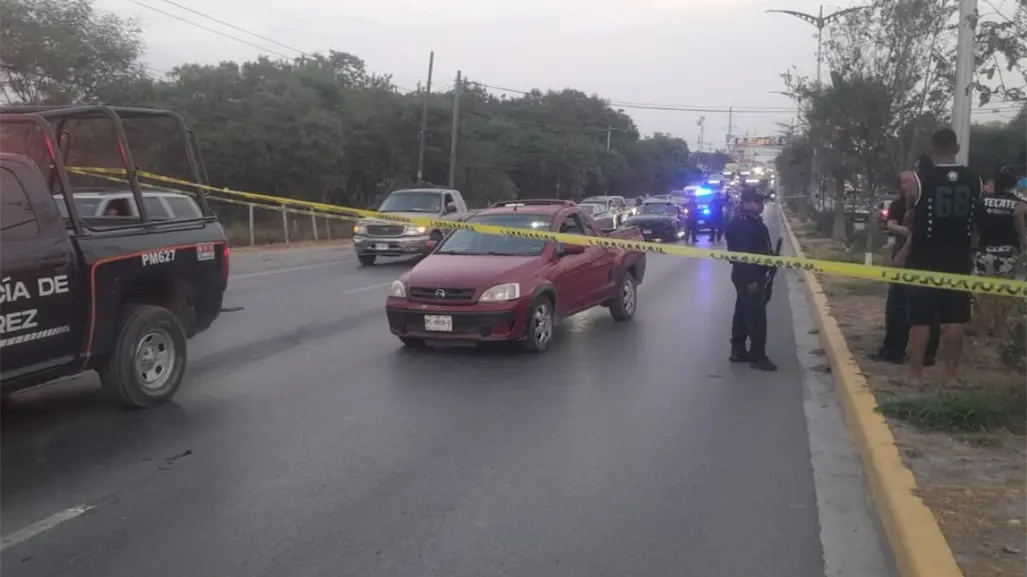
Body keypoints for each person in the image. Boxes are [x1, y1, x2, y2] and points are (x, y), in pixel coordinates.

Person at [901, 128, 982, 387]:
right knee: (955, 318)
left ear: (932, 149)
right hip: (958, 256)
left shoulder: (919, 179)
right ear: (956, 148)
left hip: (925, 255)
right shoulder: (974, 179)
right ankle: (951, 376)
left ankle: (915, 376)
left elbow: (911, 209)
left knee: (920, 319)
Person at [874, 169, 940, 365]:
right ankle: (893, 350)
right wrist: (907, 231)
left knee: (929, 310)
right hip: (901, 260)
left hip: (925, 262)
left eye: (910, 182)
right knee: (896, 308)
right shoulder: (898, 204)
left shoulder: (928, 204)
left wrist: (909, 234)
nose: (906, 186)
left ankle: (928, 355)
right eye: (903, 182)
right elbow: (891, 225)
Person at [725, 187, 777, 371]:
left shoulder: (751, 221)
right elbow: (742, 256)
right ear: (746, 203)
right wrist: (751, 281)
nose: (760, 205)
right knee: (756, 317)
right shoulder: (742, 224)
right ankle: (758, 356)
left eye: (761, 201)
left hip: (752, 274)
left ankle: (738, 350)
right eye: (757, 201)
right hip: (749, 275)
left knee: (742, 312)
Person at [971, 168, 1027, 335]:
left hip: (984, 251)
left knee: (985, 292)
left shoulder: (982, 201)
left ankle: (983, 327)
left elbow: (974, 223)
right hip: (1007, 253)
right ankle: (998, 329)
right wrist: (1023, 236)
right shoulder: (1018, 203)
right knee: (1005, 293)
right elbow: (1018, 214)